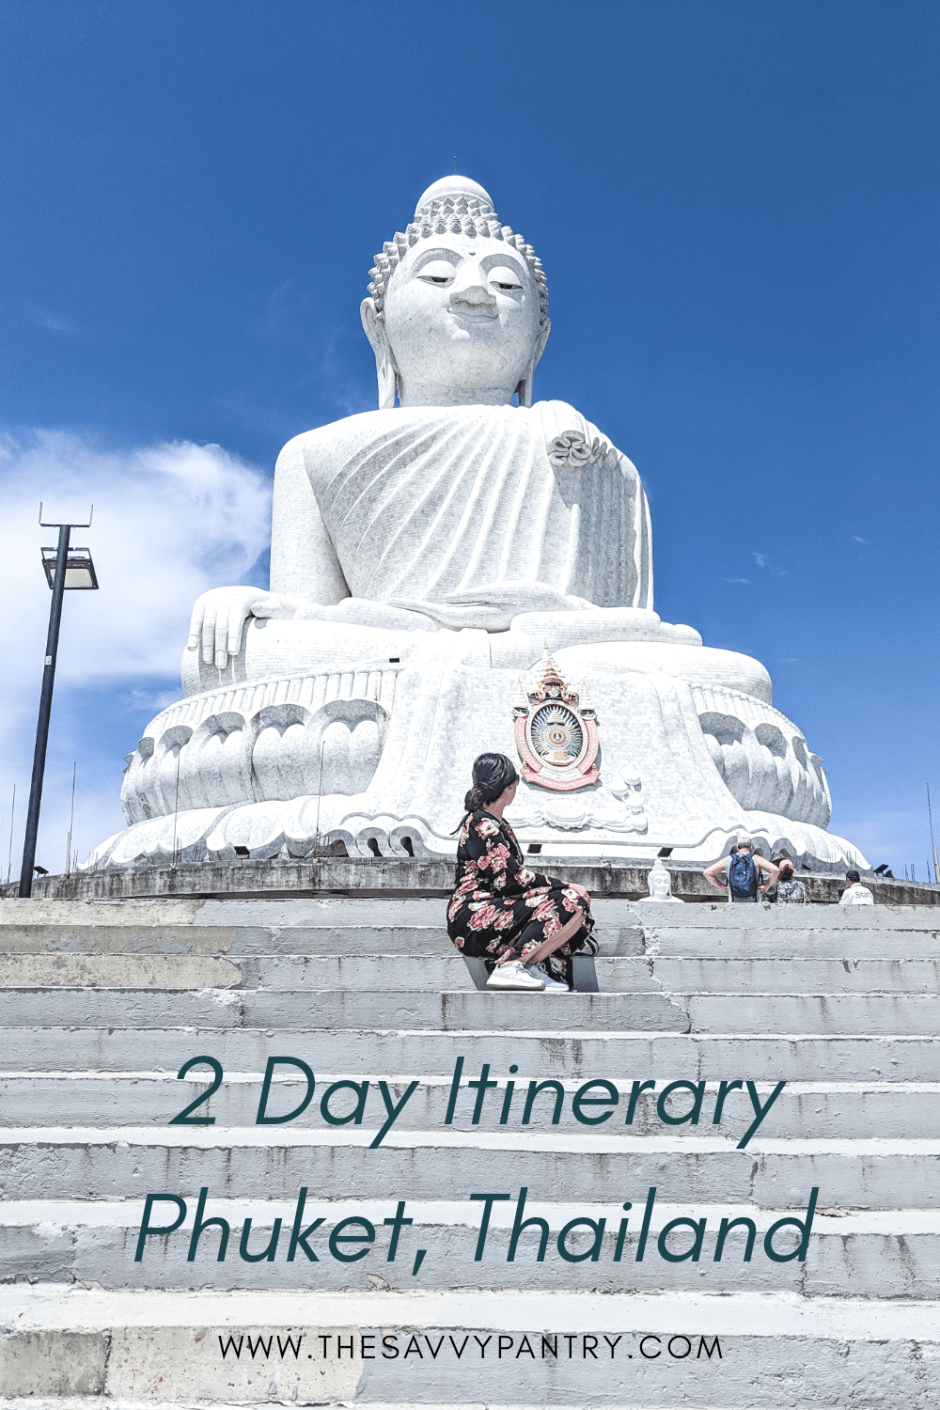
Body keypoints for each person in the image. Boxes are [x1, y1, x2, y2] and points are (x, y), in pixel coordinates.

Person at [447, 752, 596, 990]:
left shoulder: (499, 825)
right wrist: (565, 885)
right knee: (570, 899)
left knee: (578, 907)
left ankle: (527, 965)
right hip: (473, 916)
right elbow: (510, 879)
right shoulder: (480, 822)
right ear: (509, 787)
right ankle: (511, 966)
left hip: (495, 910)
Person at [703, 834, 779, 902]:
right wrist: (766, 887)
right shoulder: (757, 859)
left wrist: (723, 887)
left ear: (738, 848)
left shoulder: (728, 859)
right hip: (753, 900)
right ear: (751, 847)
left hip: (734, 899)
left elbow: (707, 873)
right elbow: (775, 870)